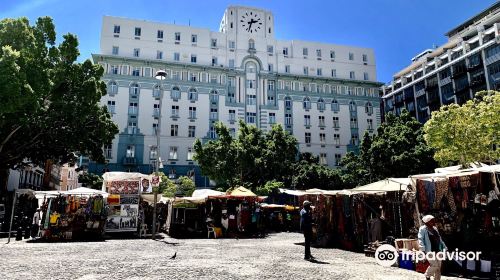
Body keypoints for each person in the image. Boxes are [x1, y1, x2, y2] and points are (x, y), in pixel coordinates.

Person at [418, 215, 447, 280]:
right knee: (434, 265)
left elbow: (440, 239)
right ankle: (427, 275)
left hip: (438, 250)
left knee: (438, 268)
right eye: (432, 221)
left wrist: (444, 247)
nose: (434, 222)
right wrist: (422, 250)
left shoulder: (435, 229)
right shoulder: (422, 229)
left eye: (433, 220)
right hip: (429, 251)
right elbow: (420, 239)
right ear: (427, 222)